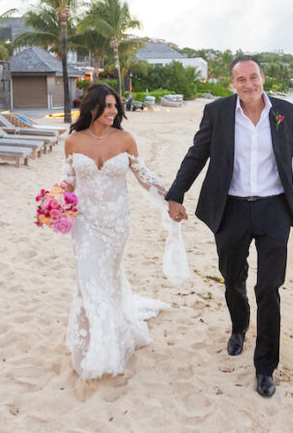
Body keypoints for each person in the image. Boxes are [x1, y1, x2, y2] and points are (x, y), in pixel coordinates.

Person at [165, 56, 293, 398]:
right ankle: (240, 326)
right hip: (230, 209)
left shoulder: (286, 112)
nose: (248, 84)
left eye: (253, 77)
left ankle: (264, 367)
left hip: (274, 209)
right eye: (240, 79)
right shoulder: (217, 113)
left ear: (263, 78)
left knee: (269, 287)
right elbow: (196, 155)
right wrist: (176, 194)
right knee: (232, 279)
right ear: (233, 83)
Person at [61, 83, 174, 379]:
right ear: (92, 107)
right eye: (107, 105)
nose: (113, 111)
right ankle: (95, 348)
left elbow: (143, 175)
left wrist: (171, 196)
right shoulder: (73, 140)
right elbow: (68, 180)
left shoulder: (125, 139)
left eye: (115, 106)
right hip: (85, 221)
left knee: (108, 279)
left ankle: (111, 337)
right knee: (88, 280)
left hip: (116, 222)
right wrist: (54, 197)